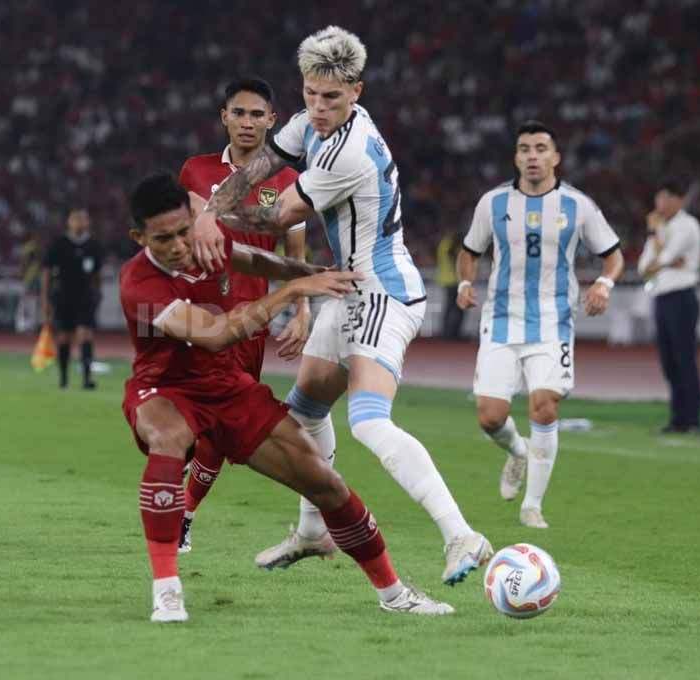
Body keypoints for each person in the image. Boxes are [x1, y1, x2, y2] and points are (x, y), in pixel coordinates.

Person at [191, 26, 493, 586]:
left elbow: (276, 215)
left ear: (357, 90)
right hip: (344, 286)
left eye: (332, 97)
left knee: (370, 422)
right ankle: (312, 532)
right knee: (303, 413)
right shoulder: (311, 126)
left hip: (381, 289)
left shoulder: (350, 150)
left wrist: (213, 217)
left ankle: (461, 536)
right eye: (310, 94)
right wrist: (211, 207)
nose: (319, 107)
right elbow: (255, 169)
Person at [122, 173, 452, 622]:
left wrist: (308, 272)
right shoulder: (138, 283)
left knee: (325, 483)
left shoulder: (202, 241)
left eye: (184, 231)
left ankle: (394, 593)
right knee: (168, 435)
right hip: (164, 388)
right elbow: (216, 334)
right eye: (164, 239)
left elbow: (250, 258)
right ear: (139, 237)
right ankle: (167, 590)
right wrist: (294, 292)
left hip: (226, 387)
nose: (180, 245)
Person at [455, 121, 624, 530]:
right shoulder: (493, 203)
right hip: (500, 320)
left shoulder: (577, 205)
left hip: (553, 322)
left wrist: (604, 282)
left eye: (541, 148)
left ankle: (532, 504)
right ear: (516, 157)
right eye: (525, 149)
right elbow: (469, 250)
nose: (533, 156)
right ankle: (517, 451)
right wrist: (464, 281)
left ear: (555, 157)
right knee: (490, 417)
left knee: (544, 404)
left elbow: (613, 253)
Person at [175, 77, 310, 554]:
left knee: (216, 431)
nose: (248, 122)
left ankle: (183, 513)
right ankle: (180, 508)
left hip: (250, 323)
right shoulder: (194, 171)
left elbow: (295, 250)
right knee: (195, 423)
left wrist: (301, 308)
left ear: (273, 121)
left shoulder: (286, 182)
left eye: (258, 115)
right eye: (239, 113)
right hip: (197, 315)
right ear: (224, 117)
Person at [638, 176, 700, 434]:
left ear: (679, 200)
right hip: (662, 298)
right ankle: (678, 418)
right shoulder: (662, 228)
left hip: (682, 297)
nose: (659, 204)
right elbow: (645, 268)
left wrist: (656, 240)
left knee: (685, 359)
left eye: (665, 198)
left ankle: (693, 420)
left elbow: (662, 258)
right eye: (658, 199)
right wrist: (661, 258)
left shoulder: (687, 226)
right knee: (669, 362)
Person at [41, 209, 103, 389]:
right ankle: (64, 378)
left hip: (85, 297)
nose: (80, 222)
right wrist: (45, 298)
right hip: (63, 296)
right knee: (64, 337)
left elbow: (96, 274)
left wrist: (97, 294)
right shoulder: (59, 244)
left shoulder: (93, 246)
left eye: (84, 218)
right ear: (69, 221)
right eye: (76, 219)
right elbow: (46, 271)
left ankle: (86, 379)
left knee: (86, 335)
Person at [15, 230, 43, 334]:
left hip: (34, 278)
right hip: (30, 278)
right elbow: (24, 262)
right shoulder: (30, 248)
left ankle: (29, 324)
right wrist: (21, 274)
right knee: (28, 302)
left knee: (32, 302)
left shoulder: (36, 248)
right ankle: (24, 324)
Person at [437, 230, 463, 340]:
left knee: (449, 308)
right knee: (458, 309)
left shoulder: (443, 244)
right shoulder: (453, 246)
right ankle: (454, 333)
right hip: (455, 280)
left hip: (445, 279)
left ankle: (446, 333)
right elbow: (454, 262)